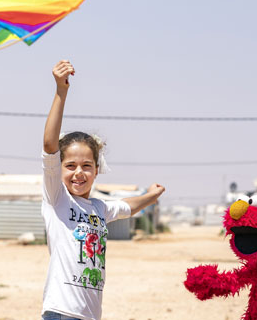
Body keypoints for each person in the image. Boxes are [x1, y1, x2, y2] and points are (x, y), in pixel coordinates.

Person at [41, 60, 165, 320]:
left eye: (86, 166)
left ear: (97, 170)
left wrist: (150, 196)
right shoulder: (57, 199)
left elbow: (126, 206)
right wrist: (60, 92)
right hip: (62, 313)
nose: (78, 172)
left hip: (90, 315)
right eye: (70, 165)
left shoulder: (99, 209)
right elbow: (50, 145)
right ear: (59, 168)